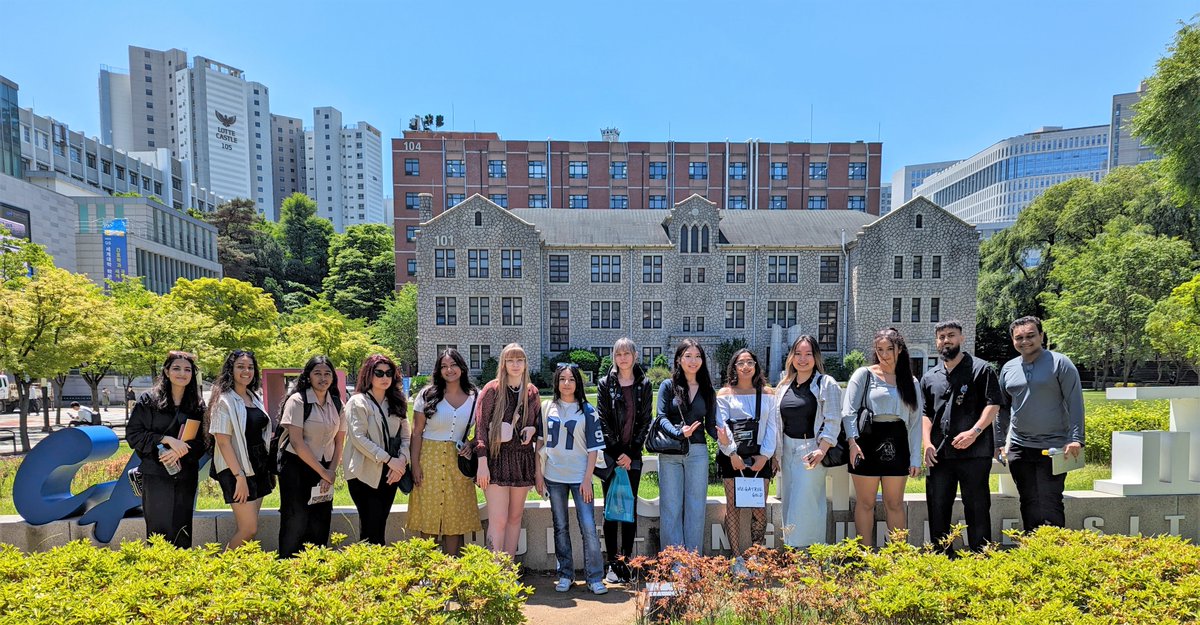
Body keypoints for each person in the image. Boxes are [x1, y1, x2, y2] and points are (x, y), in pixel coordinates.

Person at [996, 315, 1085, 531]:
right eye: (1019, 338)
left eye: (1030, 336)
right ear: (1013, 340)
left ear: (1041, 336)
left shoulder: (1060, 363)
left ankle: (1054, 551)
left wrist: (1076, 439)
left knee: (1050, 501)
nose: (1025, 341)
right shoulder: (1008, 368)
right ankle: (1032, 548)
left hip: (1054, 446)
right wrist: (999, 441)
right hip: (1019, 446)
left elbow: (1075, 401)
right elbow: (1002, 408)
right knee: (1028, 500)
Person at [920, 321, 1001, 554]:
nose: (946, 340)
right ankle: (941, 558)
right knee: (937, 508)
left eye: (951, 335)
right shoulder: (930, 377)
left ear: (962, 338)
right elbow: (925, 413)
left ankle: (980, 557)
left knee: (977, 507)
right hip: (939, 455)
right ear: (936, 341)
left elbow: (993, 404)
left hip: (974, 454)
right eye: (942, 337)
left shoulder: (981, 369)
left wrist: (975, 431)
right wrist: (927, 443)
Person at [843, 328, 923, 548]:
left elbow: (915, 423)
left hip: (897, 442)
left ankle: (897, 556)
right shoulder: (864, 374)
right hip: (866, 442)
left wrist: (916, 457)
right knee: (866, 502)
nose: (885, 354)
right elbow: (848, 411)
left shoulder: (911, 381)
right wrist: (852, 443)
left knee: (894, 503)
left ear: (900, 350)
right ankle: (865, 555)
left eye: (890, 349)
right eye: (880, 350)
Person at [125, 351, 205, 548]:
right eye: (176, 368)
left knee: (182, 529)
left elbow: (204, 441)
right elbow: (133, 434)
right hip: (156, 474)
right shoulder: (148, 400)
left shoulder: (197, 404)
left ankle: (182, 575)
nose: (182, 373)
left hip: (185, 474)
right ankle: (159, 574)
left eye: (187, 370)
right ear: (167, 371)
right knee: (158, 531)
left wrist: (179, 451)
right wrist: (166, 439)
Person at [540, 363, 608, 595]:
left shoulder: (587, 410)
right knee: (560, 526)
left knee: (588, 526)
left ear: (578, 382)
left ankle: (594, 576)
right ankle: (565, 574)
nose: (566, 383)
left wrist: (588, 478)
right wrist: (539, 476)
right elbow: (540, 443)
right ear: (556, 382)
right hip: (554, 475)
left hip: (580, 476)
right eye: (562, 379)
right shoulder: (547, 407)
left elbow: (593, 449)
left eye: (571, 379)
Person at [771, 335, 843, 549]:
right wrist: (776, 455)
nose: (803, 359)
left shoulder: (824, 383)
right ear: (791, 357)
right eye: (798, 354)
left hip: (811, 449)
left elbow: (833, 419)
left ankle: (811, 559)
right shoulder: (784, 385)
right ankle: (792, 554)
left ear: (816, 357)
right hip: (787, 449)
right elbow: (777, 421)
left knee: (807, 506)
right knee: (790, 505)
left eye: (808, 354)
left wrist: (821, 450)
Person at [408, 348, 481, 555]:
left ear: (462, 367)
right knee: (429, 516)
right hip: (429, 458)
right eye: (444, 366)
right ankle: (427, 573)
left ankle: (450, 571)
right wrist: (415, 466)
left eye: (453, 365)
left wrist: (471, 444)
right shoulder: (427, 394)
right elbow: (416, 433)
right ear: (438, 370)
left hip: (458, 459)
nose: (449, 370)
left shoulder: (476, 396)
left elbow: (483, 431)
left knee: (454, 517)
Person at [475, 343, 542, 557]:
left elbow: (540, 426)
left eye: (519, 360)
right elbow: (481, 428)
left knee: (515, 518)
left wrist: (532, 429)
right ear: (503, 363)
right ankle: (495, 574)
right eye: (510, 360)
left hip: (522, 459)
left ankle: (509, 572)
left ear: (525, 364)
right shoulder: (492, 390)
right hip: (496, 459)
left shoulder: (531, 392)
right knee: (499, 520)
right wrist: (482, 463)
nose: (515, 365)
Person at [277, 355, 346, 558]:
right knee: (295, 521)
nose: (322, 378)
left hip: (326, 467)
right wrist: (324, 472)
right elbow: (297, 442)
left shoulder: (337, 403)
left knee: (320, 520)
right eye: (317, 373)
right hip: (297, 468)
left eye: (327, 374)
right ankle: (288, 570)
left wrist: (331, 471)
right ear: (308, 376)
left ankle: (316, 571)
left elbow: (339, 441)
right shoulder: (298, 401)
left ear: (333, 378)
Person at [595, 337, 653, 583]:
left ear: (635, 356)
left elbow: (645, 421)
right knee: (611, 511)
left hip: (634, 458)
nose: (623, 358)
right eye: (618, 354)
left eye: (627, 353)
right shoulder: (605, 384)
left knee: (629, 510)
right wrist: (619, 453)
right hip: (611, 458)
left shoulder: (644, 384)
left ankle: (627, 562)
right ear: (613, 358)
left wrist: (631, 453)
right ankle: (611, 565)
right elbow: (603, 420)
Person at [714, 348, 777, 570]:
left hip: (760, 457)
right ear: (734, 367)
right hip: (732, 459)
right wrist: (732, 453)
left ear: (756, 366)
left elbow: (772, 427)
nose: (746, 367)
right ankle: (737, 557)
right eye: (740, 363)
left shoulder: (768, 394)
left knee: (759, 508)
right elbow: (722, 427)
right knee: (734, 507)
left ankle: (755, 554)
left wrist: (766, 456)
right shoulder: (724, 394)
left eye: (750, 362)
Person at [205, 349, 272, 550]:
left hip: (258, 465)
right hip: (237, 467)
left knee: (251, 526)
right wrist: (239, 477)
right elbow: (223, 442)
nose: (246, 371)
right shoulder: (223, 400)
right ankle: (220, 570)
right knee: (248, 529)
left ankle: (240, 572)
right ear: (230, 370)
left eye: (250, 367)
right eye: (241, 366)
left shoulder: (254, 397)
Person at [655, 339, 716, 554]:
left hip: (697, 453)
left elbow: (711, 426)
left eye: (697, 356)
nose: (693, 361)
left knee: (696, 508)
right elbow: (661, 417)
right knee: (671, 508)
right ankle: (675, 563)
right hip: (671, 452)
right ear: (679, 359)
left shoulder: (708, 389)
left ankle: (692, 562)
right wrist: (679, 432)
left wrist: (725, 438)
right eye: (688, 356)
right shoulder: (668, 386)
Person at [344, 354, 411, 545]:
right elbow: (358, 438)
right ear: (368, 375)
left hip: (391, 473)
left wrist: (401, 462)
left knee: (380, 524)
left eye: (389, 373)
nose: (384, 377)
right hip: (364, 473)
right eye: (379, 373)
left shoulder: (397, 402)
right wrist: (390, 460)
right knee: (369, 527)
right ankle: (368, 570)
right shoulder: (358, 402)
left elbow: (406, 436)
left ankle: (378, 570)